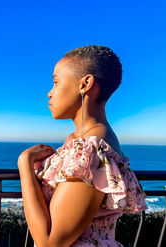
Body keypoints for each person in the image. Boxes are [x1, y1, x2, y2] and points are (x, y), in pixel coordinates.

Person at [17, 45, 148, 247]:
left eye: (56, 82)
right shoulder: (82, 141)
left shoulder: (92, 149)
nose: (49, 93)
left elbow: (50, 243)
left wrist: (25, 164)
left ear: (85, 83)